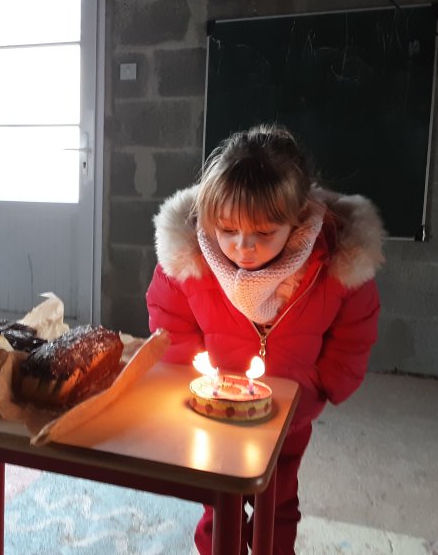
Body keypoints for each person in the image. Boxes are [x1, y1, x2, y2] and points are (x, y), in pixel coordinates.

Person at [146, 124, 385, 554]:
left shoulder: (337, 262)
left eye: (263, 233)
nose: (243, 247)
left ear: (298, 219)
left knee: (278, 502)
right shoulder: (188, 261)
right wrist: (189, 379)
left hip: (287, 411)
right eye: (227, 230)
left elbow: (355, 331)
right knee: (219, 501)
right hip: (216, 410)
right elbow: (170, 323)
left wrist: (320, 383)